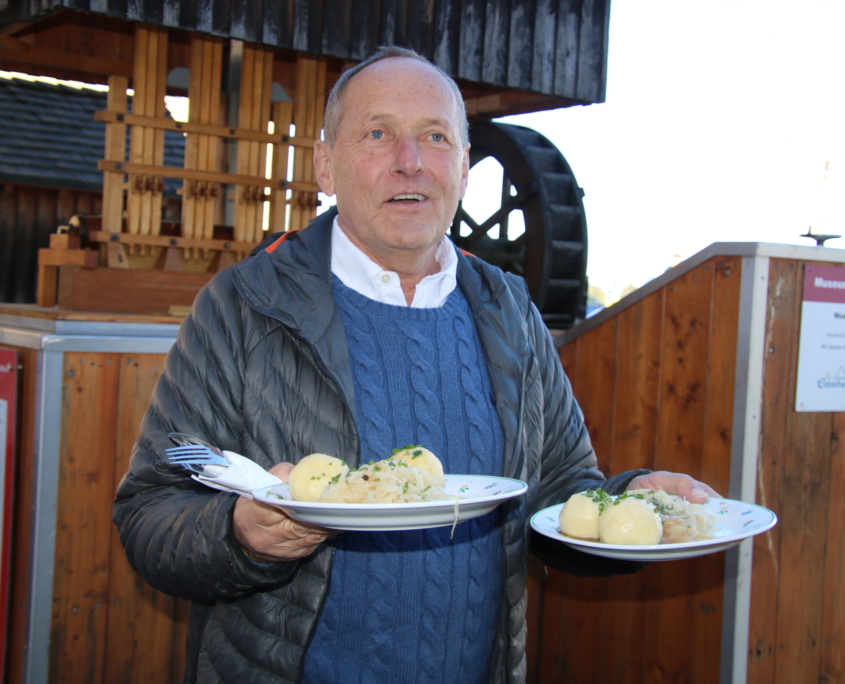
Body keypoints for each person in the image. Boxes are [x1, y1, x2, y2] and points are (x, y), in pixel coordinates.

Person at [113, 46, 718, 684]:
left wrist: (630, 508)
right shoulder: (243, 305)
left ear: (462, 165)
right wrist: (240, 537)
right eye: (378, 134)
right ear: (326, 165)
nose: (411, 162)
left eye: (435, 137)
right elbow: (150, 512)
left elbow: (558, 491)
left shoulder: (510, 310)